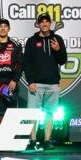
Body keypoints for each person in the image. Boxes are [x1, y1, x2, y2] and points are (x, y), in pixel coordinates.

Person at [23, 12, 67, 151]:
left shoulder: (57, 39)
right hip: (36, 83)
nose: (44, 24)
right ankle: (33, 140)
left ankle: (47, 140)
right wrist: (30, 81)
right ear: (38, 24)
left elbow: (63, 60)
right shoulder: (31, 41)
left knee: (50, 113)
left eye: (47, 21)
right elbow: (27, 63)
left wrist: (58, 50)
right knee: (32, 113)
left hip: (53, 83)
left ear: (50, 23)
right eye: (41, 21)